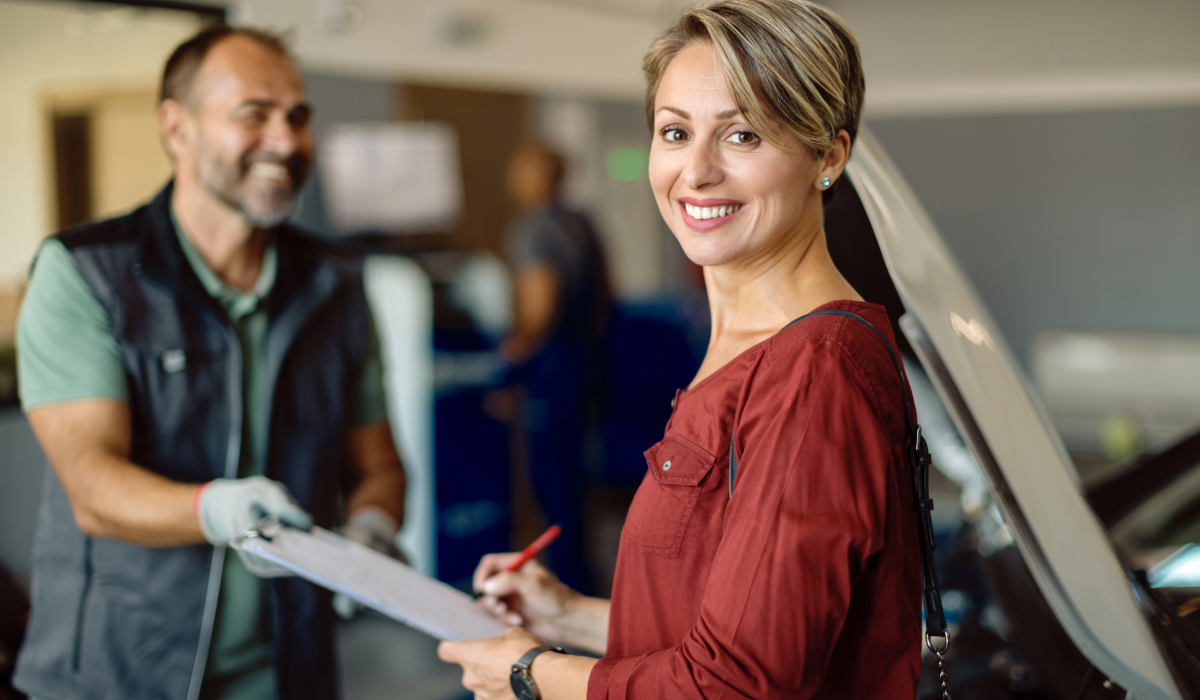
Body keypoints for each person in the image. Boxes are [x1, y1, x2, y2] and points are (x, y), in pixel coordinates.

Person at [437, 1, 923, 698]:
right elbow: (730, 626)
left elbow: (735, 686)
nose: (695, 173)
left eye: (743, 136)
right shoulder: (748, 348)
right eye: (674, 132)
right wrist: (567, 616)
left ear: (828, 156)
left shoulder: (813, 373)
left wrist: (531, 673)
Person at [13, 25, 406, 700]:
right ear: (178, 128)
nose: (285, 141)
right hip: (116, 677)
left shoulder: (337, 284)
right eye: (254, 114)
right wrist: (217, 509)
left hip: (289, 674)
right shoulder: (84, 272)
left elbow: (377, 464)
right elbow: (92, 488)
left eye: (298, 116)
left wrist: (371, 531)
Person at [501, 142, 612, 593]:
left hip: (550, 371)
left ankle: (561, 588)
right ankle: (581, 579)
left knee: (550, 486)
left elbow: (539, 305)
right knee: (575, 484)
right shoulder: (581, 222)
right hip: (587, 362)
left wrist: (512, 355)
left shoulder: (534, 230)